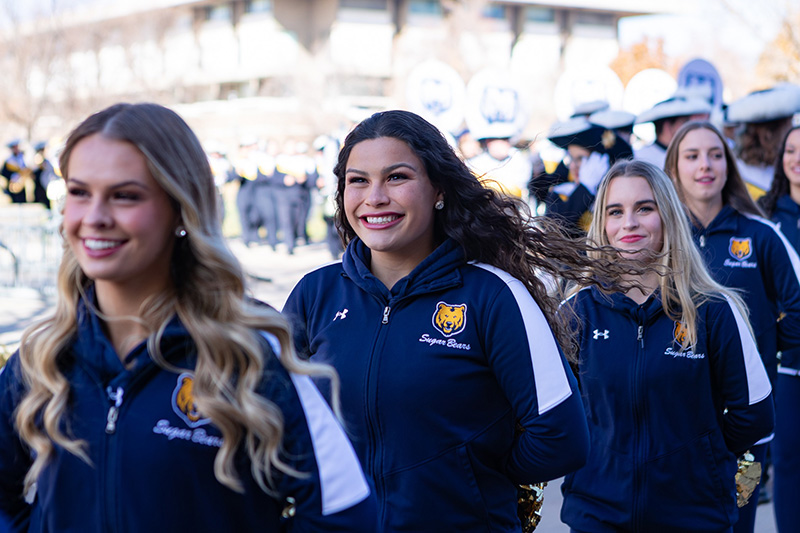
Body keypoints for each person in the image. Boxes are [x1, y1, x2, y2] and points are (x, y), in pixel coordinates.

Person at [0, 103, 377, 532]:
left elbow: (343, 512)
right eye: (80, 192)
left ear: (181, 207)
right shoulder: (44, 356)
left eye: (125, 195)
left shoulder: (249, 351)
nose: (95, 217)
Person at [283, 109, 638, 532]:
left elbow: (561, 438)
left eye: (396, 177)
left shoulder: (493, 296)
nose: (374, 197)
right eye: (358, 180)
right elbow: (279, 422)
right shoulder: (315, 293)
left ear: (438, 190)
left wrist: (474, 473)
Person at [561, 159, 774, 532]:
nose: (629, 222)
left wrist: (696, 460)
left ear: (668, 216)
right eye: (616, 211)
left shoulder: (714, 311)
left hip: (694, 515)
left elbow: (754, 415)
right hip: (598, 514)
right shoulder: (577, 312)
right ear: (603, 224)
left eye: (645, 208)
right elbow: (552, 414)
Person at [664, 121, 800, 533]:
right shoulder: (660, 238)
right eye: (692, 156)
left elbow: (796, 309)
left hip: (747, 429)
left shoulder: (762, 235)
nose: (705, 165)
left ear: (728, 166)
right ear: (673, 170)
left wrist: (762, 347)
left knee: (740, 517)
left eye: (715, 154)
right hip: (678, 420)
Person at [755, 124, 800, 533]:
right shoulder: (766, 218)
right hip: (789, 368)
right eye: (791, 150)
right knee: (786, 460)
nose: (797, 158)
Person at [528, 116, 632, 237]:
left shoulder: (619, 195)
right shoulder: (562, 193)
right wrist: (585, 189)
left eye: (580, 159)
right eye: (571, 158)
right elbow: (555, 232)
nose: (573, 166)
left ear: (600, 162)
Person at [726, 84, 800, 200]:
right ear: (769, 133)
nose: (792, 128)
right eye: (788, 124)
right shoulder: (735, 172)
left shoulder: (789, 167)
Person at [634, 95, 712, 169]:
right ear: (667, 126)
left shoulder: (690, 154)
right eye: (683, 122)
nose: (688, 128)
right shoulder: (640, 158)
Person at [2, 139, 30, 204]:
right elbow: (4, 173)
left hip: (22, 184)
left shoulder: (22, 158)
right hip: (12, 184)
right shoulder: (8, 161)